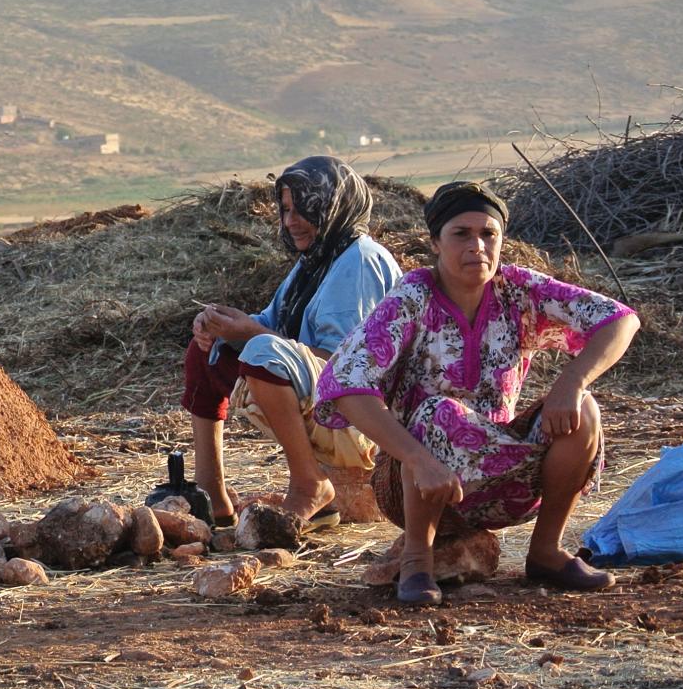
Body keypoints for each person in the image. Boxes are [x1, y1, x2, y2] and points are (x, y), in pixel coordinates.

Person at [314, 180, 639, 606]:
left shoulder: (517, 290)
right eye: (461, 234)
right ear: (435, 242)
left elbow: (620, 320)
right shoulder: (413, 296)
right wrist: (416, 457)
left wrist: (571, 382)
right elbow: (344, 384)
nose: (478, 247)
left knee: (585, 411)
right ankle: (416, 560)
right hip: (417, 480)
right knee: (437, 412)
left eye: (489, 235)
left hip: (504, 476)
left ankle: (545, 553)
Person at [184, 156, 403, 524]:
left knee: (261, 351)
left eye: (305, 208)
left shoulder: (360, 260)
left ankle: (309, 482)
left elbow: (346, 364)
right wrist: (220, 324)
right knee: (208, 349)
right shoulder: (314, 261)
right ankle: (211, 492)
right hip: (323, 397)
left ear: (334, 205)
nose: (291, 221)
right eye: (286, 210)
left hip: (365, 416)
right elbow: (272, 325)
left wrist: (254, 335)